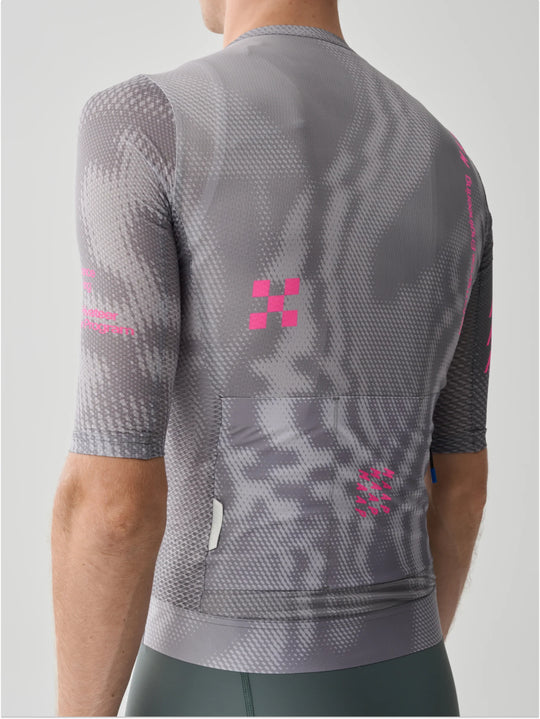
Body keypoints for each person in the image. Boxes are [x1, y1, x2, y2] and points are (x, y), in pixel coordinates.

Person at [50, 0, 493, 715]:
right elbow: (462, 486)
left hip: (221, 680)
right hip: (414, 682)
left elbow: (113, 505)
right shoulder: (456, 170)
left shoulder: (143, 126)